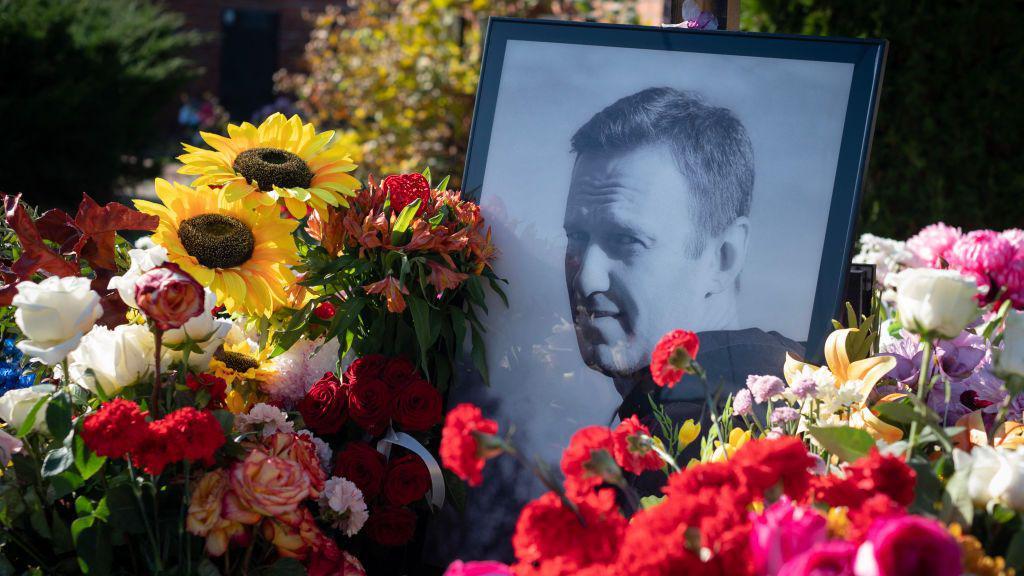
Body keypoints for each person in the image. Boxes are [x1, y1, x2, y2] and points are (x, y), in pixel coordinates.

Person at [563, 86, 804, 430]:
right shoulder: (793, 396)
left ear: (723, 257)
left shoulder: (698, 448)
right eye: (576, 237)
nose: (587, 278)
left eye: (625, 239)